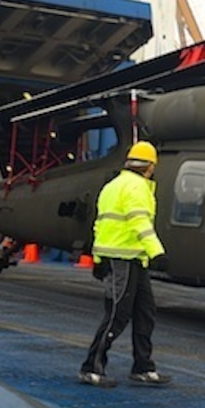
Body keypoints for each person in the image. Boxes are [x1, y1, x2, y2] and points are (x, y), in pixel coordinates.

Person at [79, 140, 171, 388]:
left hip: (127, 259)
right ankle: (91, 367)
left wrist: (98, 259)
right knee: (118, 315)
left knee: (145, 311)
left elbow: (101, 224)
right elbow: (139, 221)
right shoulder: (137, 188)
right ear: (150, 166)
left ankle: (143, 366)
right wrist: (157, 253)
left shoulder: (112, 186)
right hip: (125, 259)